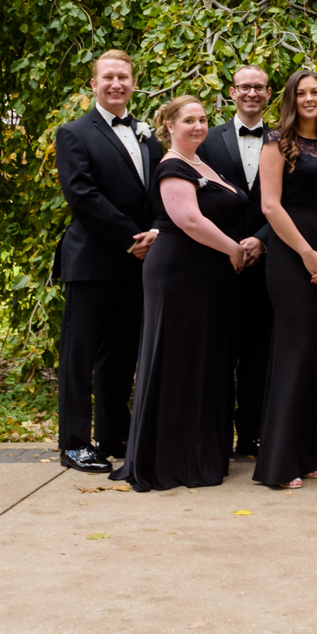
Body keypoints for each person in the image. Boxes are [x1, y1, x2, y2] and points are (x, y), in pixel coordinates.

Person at [113, 97, 250, 491]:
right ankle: (170, 458)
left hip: (208, 276)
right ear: (169, 125)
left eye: (203, 119)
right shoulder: (172, 166)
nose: (198, 126)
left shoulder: (202, 165)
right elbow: (189, 220)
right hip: (180, 274)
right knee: (178, 360)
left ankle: (200, 450)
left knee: (203, 361)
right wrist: (234, 248)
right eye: (188, 120)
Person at [53, 50, 159, 473]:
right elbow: (83, 197)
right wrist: (130, 238)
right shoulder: (74, 133)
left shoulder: (148, 135)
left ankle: (113, 435)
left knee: (121, 355)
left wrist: (155, 231)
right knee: (80, 355)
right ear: (93, 84)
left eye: (124, 77)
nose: (116, 84)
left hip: (137, 263)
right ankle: (75, 443)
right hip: (94, 261)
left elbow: (158, 189)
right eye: (108, 78)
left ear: (133, 83)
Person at [252, 68, 317, 490]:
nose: (310, 98)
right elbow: (271, 207)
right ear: (291, 99)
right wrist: (308, 253)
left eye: (316, 92)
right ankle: (279, 462)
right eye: (302, 93)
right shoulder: (276, 143)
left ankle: (311, 450)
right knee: (296, 349)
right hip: (293, 258)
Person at [197, 65, 274, 459]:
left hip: (267, 261)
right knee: (219, 351)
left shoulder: (282, 141)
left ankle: (252, 434)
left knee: (259, 353)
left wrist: (260, 240)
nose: (251, 93)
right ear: (232, 92)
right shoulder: (207, 140)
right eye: (245, 87)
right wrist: (229, 244)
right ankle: (214, 435)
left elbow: (286, 201)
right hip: (217, 261)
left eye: (259, 88)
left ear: (269, 94)